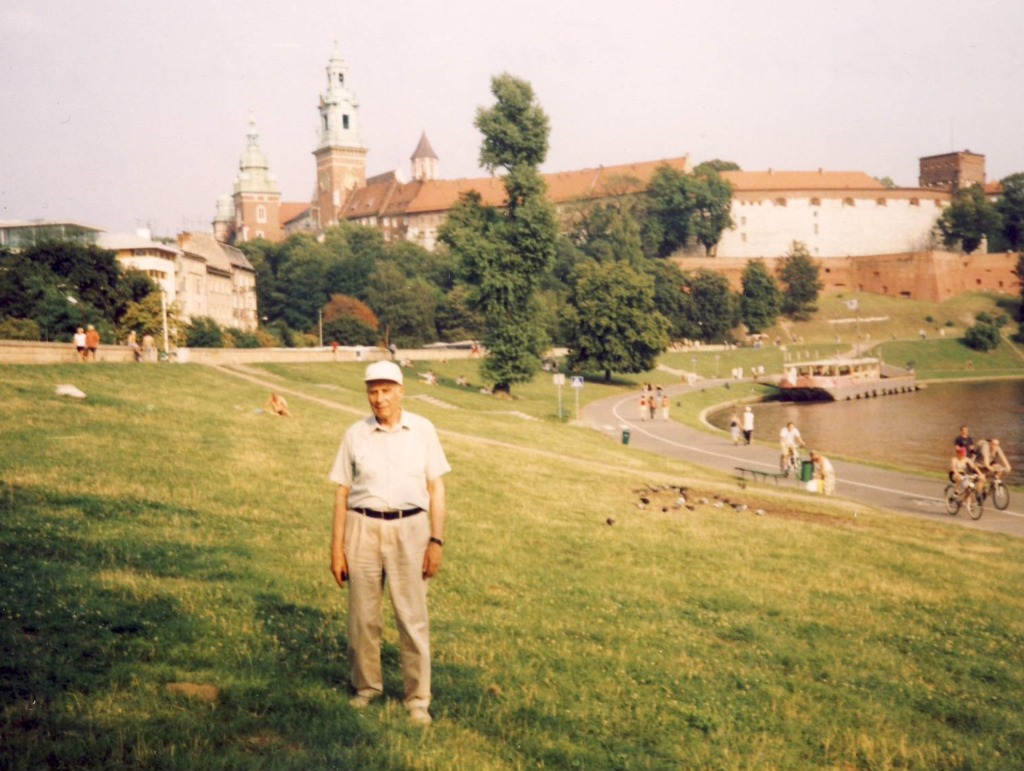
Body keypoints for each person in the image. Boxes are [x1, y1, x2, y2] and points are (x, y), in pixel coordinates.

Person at [329, 360, 450, 726]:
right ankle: (367, 687)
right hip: (362, 528)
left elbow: (436, 488)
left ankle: (418, 699)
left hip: (410, 529)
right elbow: (342, 492)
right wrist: (337, 549)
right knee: (363, 617)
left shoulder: (423, 430)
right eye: (373, 391)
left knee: (412, 618)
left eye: (385, 391)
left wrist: (436, 541)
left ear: (401, 392)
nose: (379, 399)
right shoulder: (356, 434)